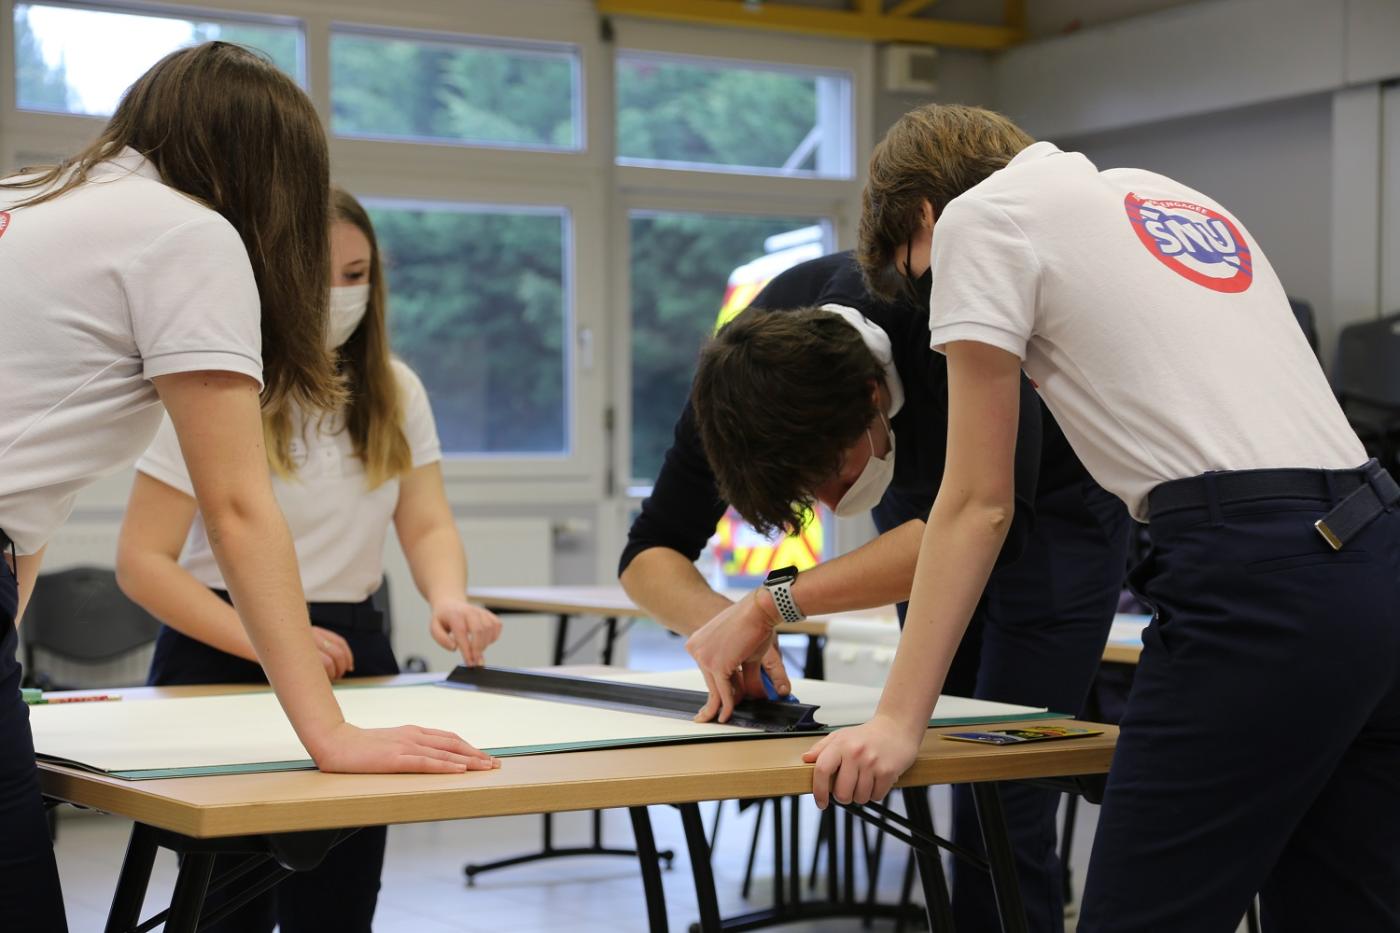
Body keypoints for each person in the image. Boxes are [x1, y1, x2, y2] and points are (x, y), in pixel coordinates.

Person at [802, 102, 1391, 932]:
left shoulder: (977, 219)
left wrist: (898, 719)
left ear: (924, 212)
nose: (928, 295)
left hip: (1253, 577)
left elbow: (979, 500)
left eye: (915, 268)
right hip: (1376, 552)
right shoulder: (1170, 198)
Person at [0, 44, 494, 933]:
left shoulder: (26, 197)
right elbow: (235, 508)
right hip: (237, 639)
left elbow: (27, 477)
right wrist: (331, 734)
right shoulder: (189, 234)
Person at [624, 250, 1128, 931]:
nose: (829, 506)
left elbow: (987, 521)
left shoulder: (943, 317)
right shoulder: (743, 379)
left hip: (1052, 507)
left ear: (869, 398)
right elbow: (646, 554)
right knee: (929, 761)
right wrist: (730, 629)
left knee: (1003, 792)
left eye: (828, 476)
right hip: (919, 490)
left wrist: (768, 602)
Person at [115, 187, 503, 931]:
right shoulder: (220, 385)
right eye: (322, 276)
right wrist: (269, 639)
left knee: (339, 901)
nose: (340, 295)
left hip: (353, 649)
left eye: (358, 275)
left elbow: (425, 525)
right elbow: (142, 562)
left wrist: (448, 596)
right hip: (219, 649)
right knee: (227, 904)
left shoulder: (394, 386)